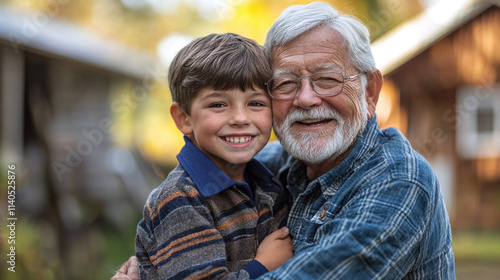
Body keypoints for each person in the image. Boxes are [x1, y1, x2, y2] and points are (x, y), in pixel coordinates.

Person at [112, 2, 456, 279]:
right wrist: (156, 263)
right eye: (286, 83)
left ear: (370, 92)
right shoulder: (270, 165)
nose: (306, 99)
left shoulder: (397, 182)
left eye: (327, 78)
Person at [133, 32, 293, 280]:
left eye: (256, 103)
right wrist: (264, 264)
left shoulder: (267, 182)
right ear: (184, 118)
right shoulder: (180, 199)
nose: (240, 118)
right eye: (218, 105)